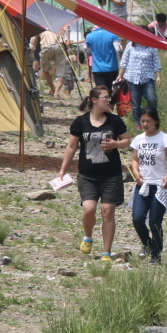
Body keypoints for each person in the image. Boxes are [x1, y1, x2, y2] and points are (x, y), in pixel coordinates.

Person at [57, 87, 131, 262]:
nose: (109, 100)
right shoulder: (80, 122)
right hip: (87, 175)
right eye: (105, 97)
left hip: (111, 175)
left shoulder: (115, 121)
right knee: (89, 209)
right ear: (94, 100)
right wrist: (63, 169)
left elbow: (127, 140)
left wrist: (116, 145)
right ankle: (88, 236)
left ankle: (106, 252)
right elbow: (71, 147)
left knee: (107, 211)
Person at [129, 109, 167, 264]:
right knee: (137, 218)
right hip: (142, 185)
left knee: (155, 221)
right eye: (142, 121)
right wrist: (136, 173)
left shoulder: (164, 138)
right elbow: (135, 159)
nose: (145, 124)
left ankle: (156, 254)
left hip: (159, 185)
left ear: (155, 121)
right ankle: (148, 244)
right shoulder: (138, 139)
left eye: (148, 121)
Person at [116, 35, 161, 126]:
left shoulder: (151, 47)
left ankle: (153, 120)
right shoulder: (130, 46)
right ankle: (138, 123)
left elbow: (156, 63)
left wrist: (158, 76)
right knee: (136, 104)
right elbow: (124, 61)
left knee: (151, 99)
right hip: (133, 79)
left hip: (147, 78)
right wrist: (120, 75)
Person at [85, 25, 121, 89]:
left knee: (101, 90)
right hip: (112, 68)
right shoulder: (112, 34)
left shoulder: (90, 36)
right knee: (113, 90)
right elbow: (118, 49)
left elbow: (88, 52)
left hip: (97, 68)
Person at [38, 29, 69, 99]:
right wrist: (68, 40)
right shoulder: (58, 22)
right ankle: (56, 92)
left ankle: (52, 89)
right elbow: (67, 29)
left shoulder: (40, 24)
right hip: (59, 45)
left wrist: (32, 48)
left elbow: (34, 40)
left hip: (46, 46)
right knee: (62, 71)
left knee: (45, 70)